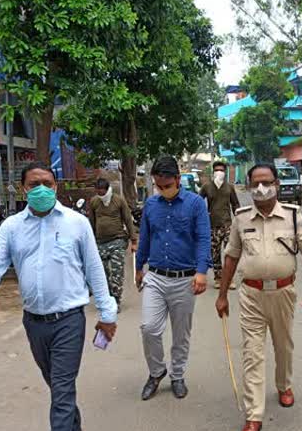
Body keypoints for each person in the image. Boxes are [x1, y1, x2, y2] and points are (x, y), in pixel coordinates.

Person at [0, 161, 117, 431]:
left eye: (47, 183)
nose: (42, 189)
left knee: (62, 389)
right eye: (34, 183)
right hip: (34, 323)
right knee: (55, 384)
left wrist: (107, 314)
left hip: (69, 320)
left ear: (55, 187)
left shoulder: (77, 224)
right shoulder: (11, 227)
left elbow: (95, 270)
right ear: (24, 188)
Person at [215, 163, 302, 431]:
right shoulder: (241, 219)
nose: (261, 188)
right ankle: (254, 415)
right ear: (249, 187)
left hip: (283, 292)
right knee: (252, 353)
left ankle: (284, 385)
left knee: (283, 345)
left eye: (267, 182)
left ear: (276, 183)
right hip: (251, 295)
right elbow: (231, 257)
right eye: (256, 184)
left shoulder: (293, 215)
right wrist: (223, 294)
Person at [135, 156, 211, 401]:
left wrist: (201, 271)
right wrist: (138, 267)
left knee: (181, 333)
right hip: (156, 276)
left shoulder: (196, 204)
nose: (163, 190)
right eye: (159, 186)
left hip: (185, 279)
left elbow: (203, 239)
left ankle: (177, 375)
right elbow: (145, 238)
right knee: (149, 328)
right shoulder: (151, 205)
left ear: (178, 180)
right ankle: (157, 372)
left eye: (167, 185)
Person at [90, 178, 138, 312]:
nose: (100, 194)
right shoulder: (94, 202)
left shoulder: (119, 200)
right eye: (98, 192)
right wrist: (90, 242)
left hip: (117, 240)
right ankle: (107, 299)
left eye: (102, 192)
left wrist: (134, 240)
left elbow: (128, 220)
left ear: (107, 189)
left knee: (116, 272)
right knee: (103, 273)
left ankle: (116, 300)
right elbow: (91, 222)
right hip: (100, 242)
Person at [199, 161, 240, 289]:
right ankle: (218, 278)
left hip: (227, 225)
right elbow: (198, 203)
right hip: (212, 226)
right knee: (215, 254)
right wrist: (201, 217)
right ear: (213, 172)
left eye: (221, 170)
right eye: (217, 170)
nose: (219, 172)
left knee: (229, 253)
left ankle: (229, 279)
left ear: (225, 172)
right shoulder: (207, 187)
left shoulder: (229, 187)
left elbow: (235, 204)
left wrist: (239, 219)